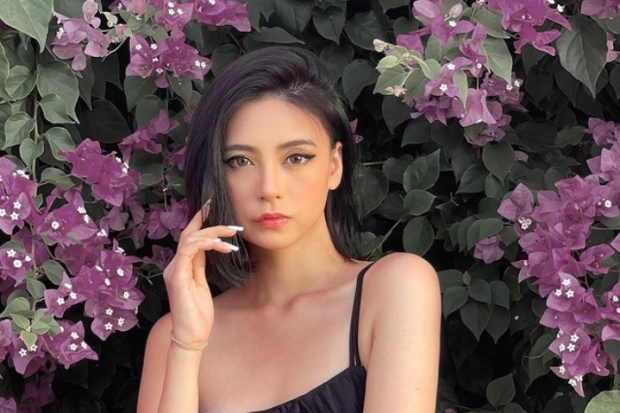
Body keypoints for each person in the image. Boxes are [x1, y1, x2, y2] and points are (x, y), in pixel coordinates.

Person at [136, 46, 441, 413]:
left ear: (334, 166)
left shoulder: (395, 287)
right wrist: (188, 346)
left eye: (296, 158)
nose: (269, 188)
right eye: (240, 161)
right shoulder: (172, 337)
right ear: (214, 174)